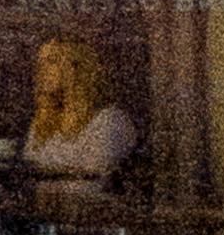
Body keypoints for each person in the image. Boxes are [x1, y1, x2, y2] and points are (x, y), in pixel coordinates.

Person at [23, 34, 138, 187]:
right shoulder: (42, 123)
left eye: (52, 61)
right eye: (40, 62)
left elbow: (97, 175)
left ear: (76, 67)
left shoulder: (110, 120)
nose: (41, 70)